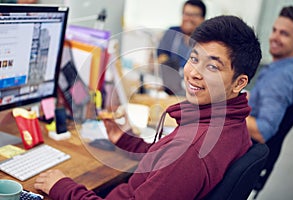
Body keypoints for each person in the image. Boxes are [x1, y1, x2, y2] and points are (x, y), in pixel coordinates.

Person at [33, 15, 262, 199]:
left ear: (239, 82)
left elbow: (179, 164)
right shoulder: (233, 123)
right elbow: (167, 163)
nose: (194, 73)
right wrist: (127, 140)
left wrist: (63, 188)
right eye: (194, 59)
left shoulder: (192, 150)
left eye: (212, 66)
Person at [247, 6, 293, 143]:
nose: (274, 37)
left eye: (284, 33)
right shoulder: (282, 69)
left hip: (251, 154)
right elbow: (265, 102)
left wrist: (222, 111)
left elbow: (262, 131)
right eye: (274, 30)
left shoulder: (282, 77)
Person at [157, 0, 206, 95]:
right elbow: (161, 56)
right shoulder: (172, 33)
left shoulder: (206, 42)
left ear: (202, 19)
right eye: (186, 14)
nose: (189, 19)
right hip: (170, 90)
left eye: (194, 15)